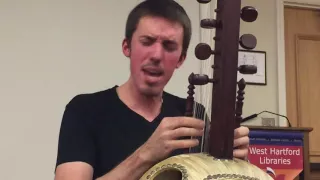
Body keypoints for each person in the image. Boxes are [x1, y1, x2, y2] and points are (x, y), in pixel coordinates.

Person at [54, 0, 250, 180]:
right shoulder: (84, 110)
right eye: (147, 42)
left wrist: (237, 162)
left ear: (181, 59)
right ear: (126, 47)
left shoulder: (193, 115)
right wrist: (146, 155)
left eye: (169, 46)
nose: (156, 55)